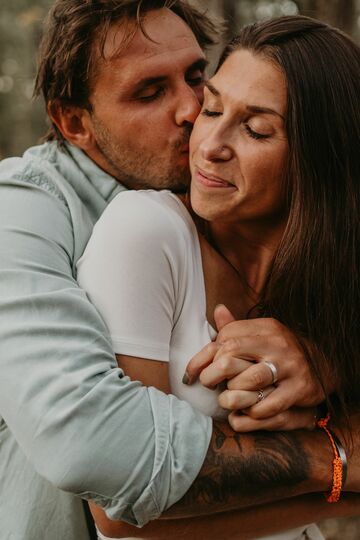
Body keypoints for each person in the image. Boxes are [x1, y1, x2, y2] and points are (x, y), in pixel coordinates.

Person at [0, 2, 359, 539]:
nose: (193, 113)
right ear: (75, 122)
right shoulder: (25, 214)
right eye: (149, 93)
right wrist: (340, 458)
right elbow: (93, 444)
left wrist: (329, 359)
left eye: (196, 79)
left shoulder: (243, 218)